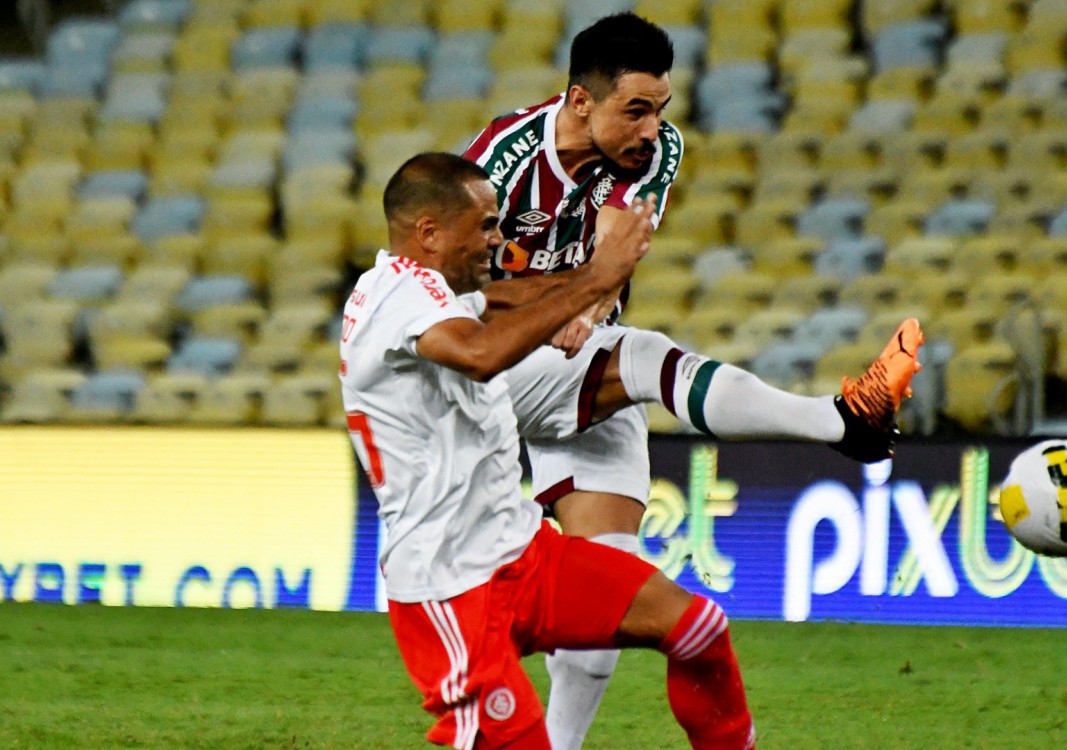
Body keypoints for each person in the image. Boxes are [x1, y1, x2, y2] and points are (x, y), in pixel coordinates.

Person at [464, 13, 925, 749]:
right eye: (635, 109)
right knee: (645, 358)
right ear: (580, 101)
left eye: (661, 109)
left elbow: (616, 257)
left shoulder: (655, 152)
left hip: (578, 357)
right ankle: (841, 421)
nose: (653, 128)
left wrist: (589, 301)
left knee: (607, 585)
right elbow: (448, 295)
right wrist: (560, 302)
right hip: (488, 375)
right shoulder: (500, 159)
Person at [339, 152, 757, 750]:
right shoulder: (398, 298)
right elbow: (481, 354)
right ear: (428, 232)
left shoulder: (427, 287)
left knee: (695, 628)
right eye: (484, 225)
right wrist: (592, 279)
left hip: (523, 553)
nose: (498, 238)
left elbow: (505, 300)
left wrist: (600, 276)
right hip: (450, 584)